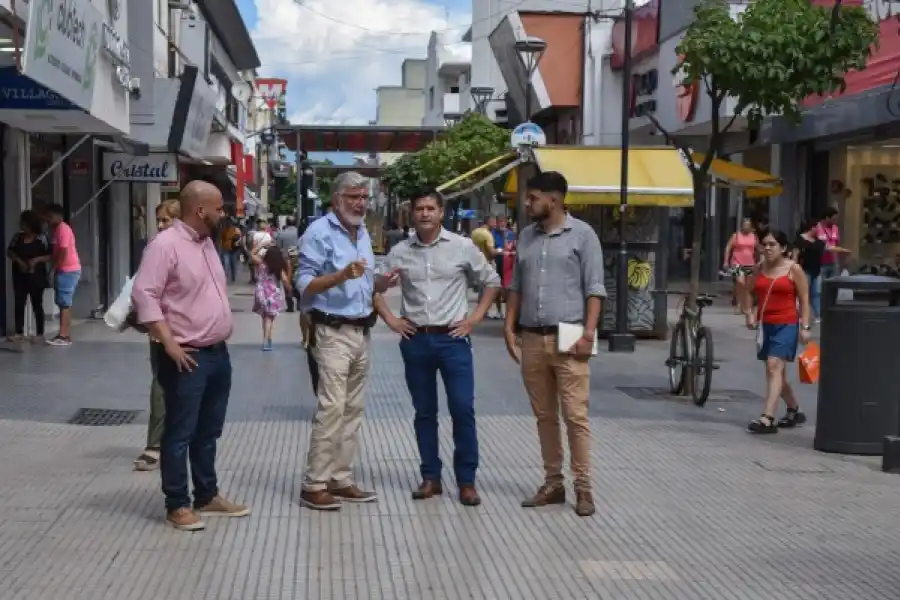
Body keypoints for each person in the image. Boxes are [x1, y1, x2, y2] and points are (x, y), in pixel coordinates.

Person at [132, 180, 249, 531]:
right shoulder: (165, 245)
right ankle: (177, 503)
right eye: (218, 207)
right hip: (187, 356)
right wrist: (168, 342)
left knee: (208, 431)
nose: (223, 213)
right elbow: (145, 295)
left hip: (217, 354)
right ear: (200, 210)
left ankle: (207, 494)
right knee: (180, 432)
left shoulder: (206, 243)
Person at [375, 190, 500, 507]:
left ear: (441, 213)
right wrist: (390, 318)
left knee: (462, 408)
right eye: (420, 208)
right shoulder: (400, 251)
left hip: (453, 339)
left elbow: (492, 280)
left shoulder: (462, 247)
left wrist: (475, 318)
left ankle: (467, 481)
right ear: (412, 213)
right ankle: (430, 477)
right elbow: (374, 286)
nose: (425, 213)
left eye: (431, 208)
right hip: (416, 339)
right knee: (424, 412)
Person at [503, 172, 606, 518]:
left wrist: (588, 334)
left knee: (576, 415)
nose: (528, 203)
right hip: (532, 334)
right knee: (544, 415)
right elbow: (516, 285)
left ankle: (584, 488)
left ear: (555, 200)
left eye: (533, 198)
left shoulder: (583, 236)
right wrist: (508, 325)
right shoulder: (527, 237)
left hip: (571, 332)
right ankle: (553, 482)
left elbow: (595, 288)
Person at [295, 171, 395, 510]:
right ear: (336, 199)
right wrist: (340, 276)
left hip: (361, 329)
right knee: (331, 407)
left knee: (353, 409)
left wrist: (380, 282)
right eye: (353, 196)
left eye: (364, 197)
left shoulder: (363, 232)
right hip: (331, 331)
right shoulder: (319, 233)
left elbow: (362, 282)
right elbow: (303, 285)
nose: (360, 203)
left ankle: (340, 478)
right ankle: (314, 484)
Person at [742, 229, 811, 434]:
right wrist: (748, 313)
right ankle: (794, 408)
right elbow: (747, 290)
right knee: (776, 372)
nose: (768, 248)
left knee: (773, 366)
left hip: (787, 324)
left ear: (783, 248)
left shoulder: (794, 269)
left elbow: (805, 299)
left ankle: (767, 418)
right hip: (766, 325)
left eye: (773, 244)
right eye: (765, 244)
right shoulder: (759, 268)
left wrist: (805, 326)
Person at [134, 199, 181, 472]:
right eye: (160, 221)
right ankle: (155, 444)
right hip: (161, 329)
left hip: (186, 329)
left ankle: (171, 442)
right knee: (160, 387)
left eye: (166, 220)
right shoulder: (157, 247)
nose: (161, 226)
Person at [6, 210, 52, 343]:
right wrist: (19, 262)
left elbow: (50, 255)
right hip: (20, 276)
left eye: (24, 224)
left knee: (37, 304)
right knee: (19, 303)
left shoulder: (42, 238)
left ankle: (39, 333)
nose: (22, 226)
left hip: (36, 276)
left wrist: (36, 260)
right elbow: (9, 251)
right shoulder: (17, 237)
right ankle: (18, 332)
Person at [42, 204, 81, 347]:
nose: (47, 219)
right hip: (65, 269)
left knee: (65, 303)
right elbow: (55, 253)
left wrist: (53, 269)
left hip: (68, 270)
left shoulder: (63, 229)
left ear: (58, 216)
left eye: (49, 216)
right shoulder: (57, 230)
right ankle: (62, 334)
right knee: (62, 302)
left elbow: (63, 253)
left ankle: (64, 336)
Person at [251, 236, 291, 351]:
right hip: (272, 294)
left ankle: (268, 339)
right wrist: (289, 289)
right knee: (269, 317)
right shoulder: (278, 269)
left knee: (265, 316)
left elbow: (251, 254)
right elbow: (285, 281)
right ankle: (266, 341)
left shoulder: (261, 264)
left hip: (260, 292)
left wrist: (261, 245)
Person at [792, 220, 826, 324]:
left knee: (815, 294)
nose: (819, 230)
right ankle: (802, 315)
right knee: (804, 294)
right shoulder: (800, 240)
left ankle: (818, 315)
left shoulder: (818, 241)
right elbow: (795, 254)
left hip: (816, 270)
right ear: (812, 227)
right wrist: (793, 268)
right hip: (804, 270)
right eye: (817, 227)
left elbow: (827, 249)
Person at [723, 217, 758, 314]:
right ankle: (738, 303)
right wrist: (726, 261)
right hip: (737, 262)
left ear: (751, 226)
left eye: (748, 224)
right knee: (740, 283)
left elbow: (758, 249)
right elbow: (728, 247)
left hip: (750, 263)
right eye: (744, 224)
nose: (746, 226)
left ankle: (745, 306)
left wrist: (760, 261)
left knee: (748, 286)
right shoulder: (736, 236)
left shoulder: (753, 236)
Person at [816, 207, 850, 280]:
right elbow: (826, 247)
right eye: (833, 219)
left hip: (834, 263)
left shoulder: (835, 228)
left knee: (834, 286)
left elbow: (837, 244)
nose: (835, 221)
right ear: (827, 218)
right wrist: (842, 250)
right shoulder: (818, 228)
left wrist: (844, 258)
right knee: (822, 287)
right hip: (821, 264)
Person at [276, 217, 300, 312]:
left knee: (287, 281)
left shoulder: (281, 233)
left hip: (285, 260)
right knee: (298, 280)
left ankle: (290, 305)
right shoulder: (300, 233)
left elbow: (278, 247)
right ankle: (299, 302)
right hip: (297, 260)